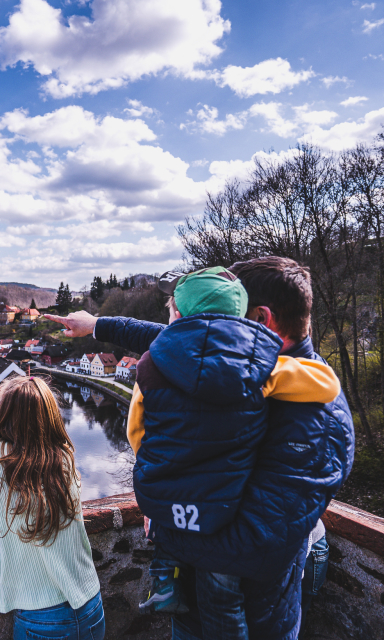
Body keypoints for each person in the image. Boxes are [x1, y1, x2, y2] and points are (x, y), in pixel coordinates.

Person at [45, 256, 354, 640]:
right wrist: (97, 325)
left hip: (253, 619)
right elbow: (187, 344)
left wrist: (168, 513)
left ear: (260, 318)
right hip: (194, 613)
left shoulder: (313, 412)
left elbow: (256, 540)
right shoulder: (238, 364)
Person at [120, 267, 339, 626]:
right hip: (226, 504)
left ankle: (165, 583)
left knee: (180, 554)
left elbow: (136, 433)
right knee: (224, 601)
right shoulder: (257, 368)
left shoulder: (152, 365)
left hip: (171, 499)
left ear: (176, 314)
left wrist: (159, 463)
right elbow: (324, 385)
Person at [0, 376, 105, 640]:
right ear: (49, 415)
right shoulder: (64, 456)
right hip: (91, 605)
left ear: (4, 413)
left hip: (42, 616)